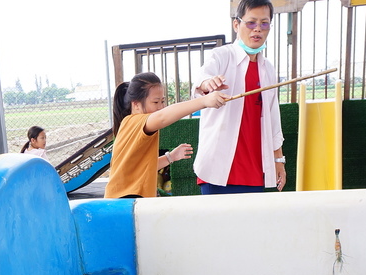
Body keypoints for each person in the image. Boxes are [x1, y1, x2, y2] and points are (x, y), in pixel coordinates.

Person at [192, 0, 287, 194]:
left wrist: (279, 160)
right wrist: (208, 83)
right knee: (216, 224)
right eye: (251, 23)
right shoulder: (221, 56)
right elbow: (202, 79)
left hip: (254, 169)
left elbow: (273, 117)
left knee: (252, 225)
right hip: (217, 169)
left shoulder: (268, 69)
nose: (257, 30)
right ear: (237, 24)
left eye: (264, 23)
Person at [105, 72, 227, 199]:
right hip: (124, 200)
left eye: (162, 101)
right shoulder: (135, 122)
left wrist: (171, 156)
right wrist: (203, 101)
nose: (161, 107)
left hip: (130, 199)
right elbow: (162, 117)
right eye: (156, 102)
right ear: (135, 104)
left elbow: (145, 167)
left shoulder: (136, 125)